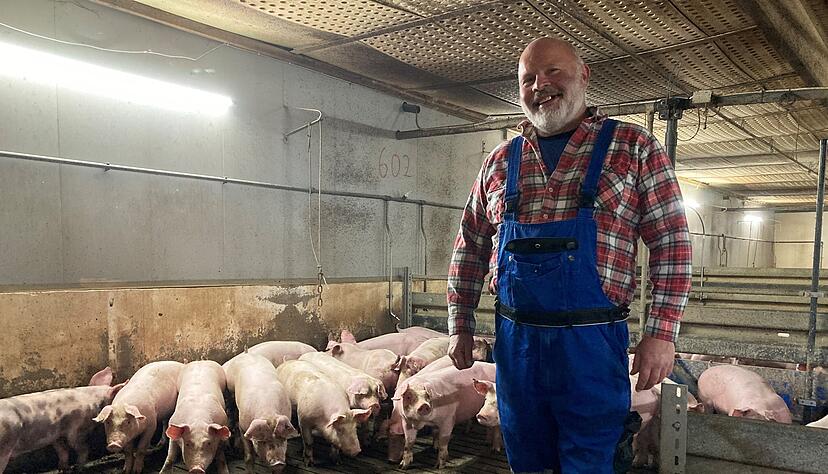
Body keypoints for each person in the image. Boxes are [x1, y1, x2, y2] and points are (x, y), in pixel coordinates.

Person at [446, 37, 692, 473]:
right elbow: (471, 243)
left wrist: (661, 333)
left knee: (591, 457)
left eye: (553, 71)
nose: (540, 85)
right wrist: (459, 324)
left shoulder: (633, 147)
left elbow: (671, 242)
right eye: (528, 79)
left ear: (584, 76)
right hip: (516, 344)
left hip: (592, 344)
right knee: (525, 455)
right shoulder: (501, 161)